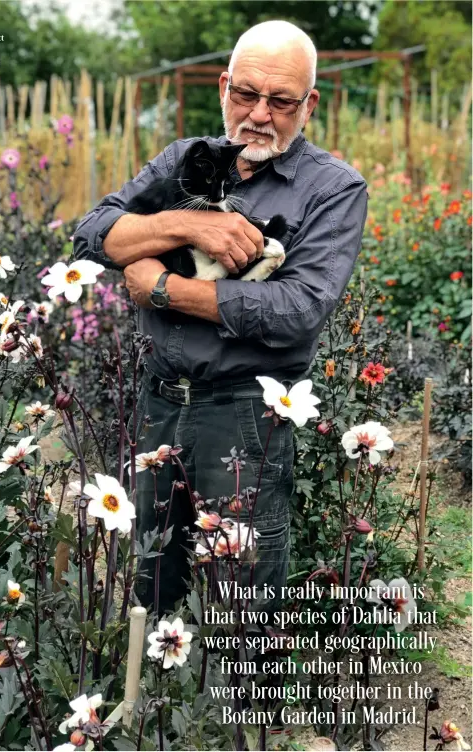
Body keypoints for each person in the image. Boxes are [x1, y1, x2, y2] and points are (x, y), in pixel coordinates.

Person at [72, 20, 368, 616]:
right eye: (246, 94)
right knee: (152, 580)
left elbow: (296, 311)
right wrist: (188, 224)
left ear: (309, 104)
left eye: (281, 101)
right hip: (158, 401)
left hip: (244, 415)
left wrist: (161, 286)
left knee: (241, 599)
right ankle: (153, 703)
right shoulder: (188, 158)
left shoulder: (332, 190)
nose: (259, 114)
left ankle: (246, 707)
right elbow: (91, 234)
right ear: (224, 87)